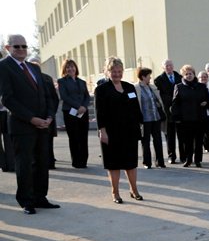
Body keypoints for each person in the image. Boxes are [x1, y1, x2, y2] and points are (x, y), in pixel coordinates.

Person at [0, 34, 59, 214]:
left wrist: (49, 117)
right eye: (17, 46)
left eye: (24, 46)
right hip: (22, 126)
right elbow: (8, 99)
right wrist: (32, 119)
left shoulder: (34, 68)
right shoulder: (4, 67)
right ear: (7, 48)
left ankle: (40, 197)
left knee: (42, 162)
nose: (21, 50)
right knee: (24, 164)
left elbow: (46, 95)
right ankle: (26, 200)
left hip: (43, 125)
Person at [94, 56, 144, 203]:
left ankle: (134, 190)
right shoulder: (101, 90)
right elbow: (99, 112)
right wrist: (102, 131)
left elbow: (136, 108)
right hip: (111, 132)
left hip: (130, 131)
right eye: (113, 71)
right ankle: (115, 192)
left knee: (131, 163)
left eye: (119, 71)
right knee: (113, 164)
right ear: (107, 72)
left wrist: (140, 124)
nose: (117, 74)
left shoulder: (129, 87)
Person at [171, 64, 209, 167]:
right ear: (183, 76)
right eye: (186, 74)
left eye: (191, 73)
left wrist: (205, 103)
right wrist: (177, 117)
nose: (189, 76)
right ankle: (188, 159)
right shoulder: (179, 87)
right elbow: (175, 103)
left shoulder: (201, 86)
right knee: (187, 141)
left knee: (198, 141)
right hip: (185, 119)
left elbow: (208, 100)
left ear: (194, 74)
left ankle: (197, 160)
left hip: (199, 118)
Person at [57, 59, 91, 168]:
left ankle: (84, 161)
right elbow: (64, 96)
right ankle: (76, 161)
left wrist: (84, 107)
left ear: (76, 68)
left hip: (83, 112)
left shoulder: (82, 82)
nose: (70, 69)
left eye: (72, 67)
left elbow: (87, 96)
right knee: (74, 137)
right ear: (64, 69)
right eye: (68, 67)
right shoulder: (62, 81)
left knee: (83, 136)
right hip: (70, 112)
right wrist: (78, 106)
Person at [28, 58, 59, 170]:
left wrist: (51, 115)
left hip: (48, 116)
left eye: (37, 65)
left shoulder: (47, 78)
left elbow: (54, 98)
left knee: (49, 141)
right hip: (34, 117)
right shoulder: (26, 78)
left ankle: (50, 162)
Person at [134, 67, 166, 168]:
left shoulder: (152, 87)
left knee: (158, 140)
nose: (150, 78)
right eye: (148, 76)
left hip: (155, 118)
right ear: (143, 77)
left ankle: (160, 162)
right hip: (144, 119)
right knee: (146, 141)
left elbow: (158, 100)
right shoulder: (136, 88)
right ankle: (147, 163)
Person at [154, 59, 181, 163]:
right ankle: (171, 156)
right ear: (163, 68)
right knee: (169, 136)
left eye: (170, 65)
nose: (169, 67)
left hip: (178, 111)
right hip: (167, 112)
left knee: (181, 135)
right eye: (166, 66)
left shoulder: (180, 77)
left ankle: (184, 156)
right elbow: (158, 96)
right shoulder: (158, 80)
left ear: (173, 66)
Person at [197, 70, 209, 153]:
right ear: (198, 78)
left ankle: (208, 146)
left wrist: (207, 103)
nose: (203, 79)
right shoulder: (196, 88)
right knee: (200, 130)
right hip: (199, 111)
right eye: (201, 77)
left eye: (205, 77)